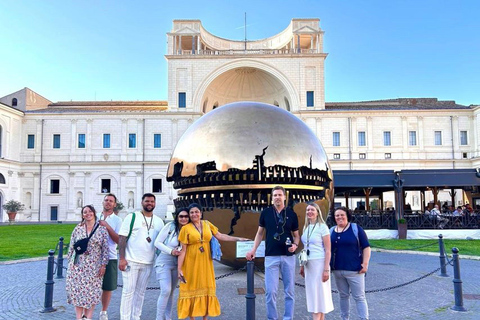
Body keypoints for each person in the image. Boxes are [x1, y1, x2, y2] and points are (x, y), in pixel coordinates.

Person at [177, 203, 249, 319]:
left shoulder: (207, 224)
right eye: (191, 213)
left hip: (206, 262)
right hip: (191, 263)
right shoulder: (185, 229)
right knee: (191, 288)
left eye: (196, 212)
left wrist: (238, 239)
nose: (194, 214)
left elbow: (220, 236)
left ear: (200, 213)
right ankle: (192, 318)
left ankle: (205, 318)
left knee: (206, 287)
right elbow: (183, 251)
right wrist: (179, 269)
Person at [246, 186, 300, 320]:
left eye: (279, 195)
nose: (277, 197)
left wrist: (295, 245)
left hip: (288, 257)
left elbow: (296, 235)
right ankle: (272, 318)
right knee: (270, 292)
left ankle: (288, 317)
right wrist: (253, 249)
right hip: (271, 256)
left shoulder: (291, 214)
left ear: (284, 197)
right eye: (275, 195)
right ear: (272, 198)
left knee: (289, 291)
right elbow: (259, 233)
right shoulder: (266, 213)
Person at [118, 193, 164, 320]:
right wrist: (121, 258)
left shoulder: (159, 221)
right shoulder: (132, 217)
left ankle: (136, 317)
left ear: (155, 203)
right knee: (128, 292)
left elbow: (162, 242)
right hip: (130, 261)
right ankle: (125, 318)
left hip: (148, 262)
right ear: (142, 202)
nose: (149, 203)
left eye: (152, 201)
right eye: (147, 201)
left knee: (141, 293)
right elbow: (122, 237)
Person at [66, 205, 109, 320]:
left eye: (90, 211)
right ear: (82, 215)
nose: (88, 214)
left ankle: (88, 317)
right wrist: (70, 261)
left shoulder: (101, 229)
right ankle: (79, 317)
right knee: (78, 292)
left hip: (94, 266)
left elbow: (105, 249)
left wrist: (103, 265)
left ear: (94, 213)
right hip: (78, 265)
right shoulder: (78, 228)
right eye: (85, 212)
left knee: (92, 293)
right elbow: (71, 246)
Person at [330, 207, 371, 320]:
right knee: (343, 296)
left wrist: (365, 264)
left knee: (359, 297)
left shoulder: (356, 229)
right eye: (337, 215)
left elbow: (366, 247)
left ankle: (363, 318)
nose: (339, 217)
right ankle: (344, 318)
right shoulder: (332, 230)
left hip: (355, 270)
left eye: (342, 215)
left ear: (347, 215)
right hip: (337, 270)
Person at [154, 208, 190, 320]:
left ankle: (168, 317)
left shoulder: (189, 229)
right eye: (181, 216)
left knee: (171, 292)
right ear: (177, 217)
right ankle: (159, 318)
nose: (183, 218)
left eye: (186, 216)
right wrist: (171, 251)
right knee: (165, 290)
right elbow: (157, 242)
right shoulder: (170, 226)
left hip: (177, 263)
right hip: (165, 260)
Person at [299, 203, 333, 320]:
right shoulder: (306, 227)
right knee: (314, 292)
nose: (309, 212)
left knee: (319, 293)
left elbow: (328, 250)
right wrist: (302, 266)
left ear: (317, 212)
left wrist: (326, 269)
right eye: (308, 210)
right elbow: (305, 247)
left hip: (319, 263)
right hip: (309, 264)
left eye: (312, 210)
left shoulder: (323, 227)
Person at [97, 194, 123, 320]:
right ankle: (87, 308)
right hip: (93, 257)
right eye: (106, 200)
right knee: (90, 284)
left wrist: (107, 226)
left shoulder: (118, 221)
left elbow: (118, 240)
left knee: (107, 286)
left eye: (111, 201)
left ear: (114, 204)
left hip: (110, 256)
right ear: (103, 202)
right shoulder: (95, 216)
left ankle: (103, 311)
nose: (108, 202)